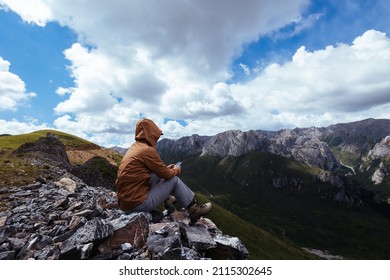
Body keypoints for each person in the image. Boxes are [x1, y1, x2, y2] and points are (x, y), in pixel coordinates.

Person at [115, 118, 212, 222]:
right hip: (137, 204)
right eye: (156, 135)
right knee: (174, 180)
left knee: (154, 174)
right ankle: (194, 210)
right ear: (151, 134)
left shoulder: (135, 148)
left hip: (126, 203)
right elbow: (167, 175)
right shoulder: (146, 150)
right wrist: (176, 170)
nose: (156, 139)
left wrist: (165, 169)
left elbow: (156, 171)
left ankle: (168, 200)